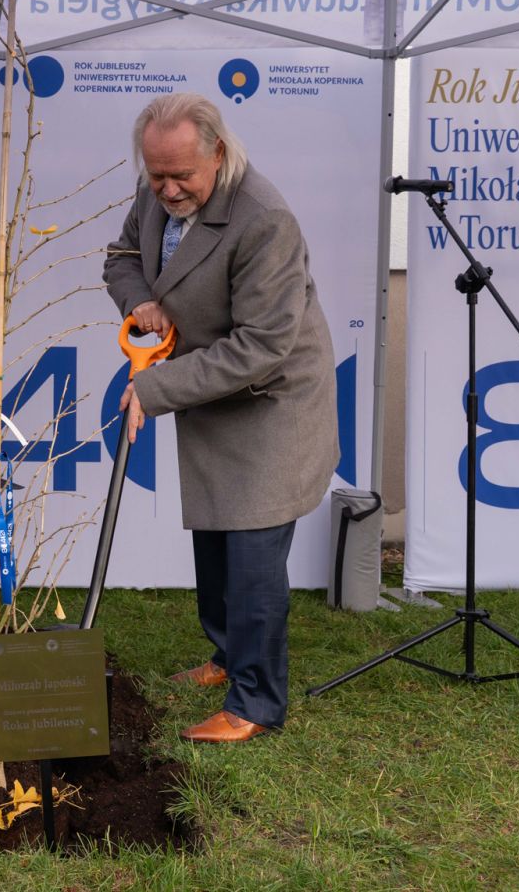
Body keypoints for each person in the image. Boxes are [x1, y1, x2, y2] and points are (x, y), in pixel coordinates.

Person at [103, 93, 338, 743]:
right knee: (213, 537)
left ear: (219, 153)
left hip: (271, 399)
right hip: (211, 387)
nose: (168, 189)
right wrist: (141, 302)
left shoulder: (264, 221)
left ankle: (255, 703)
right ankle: (227, 655)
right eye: (157, 175)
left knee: (251, 552)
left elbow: (263, 346)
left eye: (181, 175)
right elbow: (122, 258)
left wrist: (157, 388)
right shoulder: (156, 193)